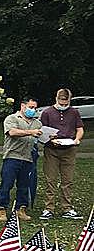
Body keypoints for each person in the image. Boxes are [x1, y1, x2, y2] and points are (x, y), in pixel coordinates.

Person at [0, 98, 42, 222]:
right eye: (31, 107)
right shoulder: (12, 119)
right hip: (12, 156)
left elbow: (40, 138)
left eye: (35, 108)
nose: (33, 110)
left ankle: (20, 208)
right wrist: (31, 132)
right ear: (23, 106)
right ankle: (1, 208)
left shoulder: (37, 123)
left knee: (24, 185)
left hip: (28, 157)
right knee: (7, 183)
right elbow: (12, 132)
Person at [40, 88, 84, 220]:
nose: (64, 105)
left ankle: (67, 208)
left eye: (66, 103)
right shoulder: (47, 112)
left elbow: (80, 129)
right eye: (62, 102)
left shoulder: (74, 112)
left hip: (69, 149)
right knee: (50, 179)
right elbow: (42, 130)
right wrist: (51, 139)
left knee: (67, 180)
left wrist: (77, 139)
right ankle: (49, 208)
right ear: (56, 99)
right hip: (51, 150)